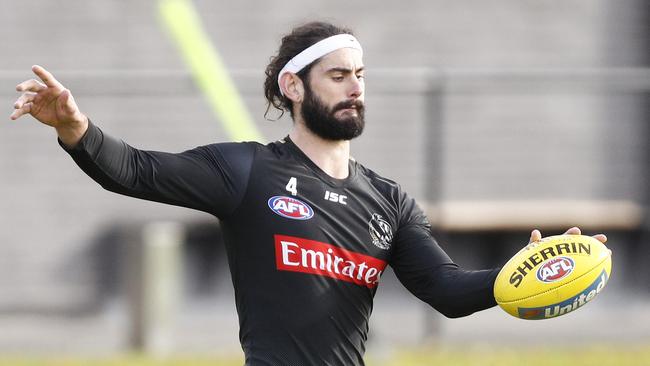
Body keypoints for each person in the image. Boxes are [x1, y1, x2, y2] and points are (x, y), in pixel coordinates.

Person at [10, 21, 606, 366]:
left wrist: (523, 273)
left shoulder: (389, 201)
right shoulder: (245, 171)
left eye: (361, 77)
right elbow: (135, 170)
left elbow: (446, 291)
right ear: (293, 86)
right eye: (338, 76)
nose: (355, 90)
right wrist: (73, 127)